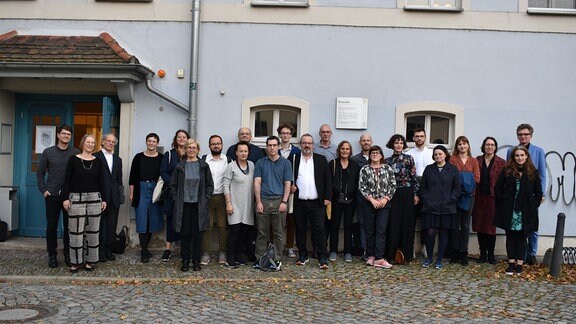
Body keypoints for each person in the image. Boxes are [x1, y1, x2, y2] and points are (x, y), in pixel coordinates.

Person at [62, 134, 107, 272]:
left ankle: (90, 261)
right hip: (76, 198)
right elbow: (67, 180)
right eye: (88, 142)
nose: (90, 144)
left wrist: (103, 199)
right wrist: (65, 198)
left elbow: (102, 181)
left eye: (93, 142)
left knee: (93, 231)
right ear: (83, 143)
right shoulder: (73, 160)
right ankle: (75, 262)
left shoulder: (98, 161)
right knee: (76, 232)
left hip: (94, 198)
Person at [37, 124, 80, 268]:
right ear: (58, 135)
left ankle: (68, 254)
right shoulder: (48, 152)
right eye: (64, 133)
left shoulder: (75, 152)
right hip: (52, 195)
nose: (66, 136)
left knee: (69, 227)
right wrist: (44, 190)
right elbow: (40, 172)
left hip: (70, 196)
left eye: (68, 134)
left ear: (71, 136)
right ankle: (52, 255)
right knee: (52, 226)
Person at [495, 146, 542, 275]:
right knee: (510, 237)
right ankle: (511, 263)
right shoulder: (507, 171)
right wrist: (503, 201)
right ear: (513, 157)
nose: (519, 158)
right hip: (509, 210)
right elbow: (498, 188)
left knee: (522, 238)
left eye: (522, 155)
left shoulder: (533, 172)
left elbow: (538, 192)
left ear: (526, 156)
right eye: (517, 155)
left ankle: (520, 264)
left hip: (525, 211)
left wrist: (533, 204)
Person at [170, 139, 214, 272]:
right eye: (189, 148)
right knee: (185, 234)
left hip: (199, 205)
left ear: (198, 150)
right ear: (185, 149)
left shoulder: (203, 166)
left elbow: (209, 185)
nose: (191, 150)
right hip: (183, 206)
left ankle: (196, 261)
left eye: (194, 148)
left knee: (197, 234)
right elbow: (173, 185)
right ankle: (185, 261)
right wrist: (176, 198)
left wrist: (206, 198)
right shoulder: (180, 166)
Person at [506, 123, 546, 266]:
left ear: (531, 135)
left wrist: (540, 195)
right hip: (515, 197)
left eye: (526, 134)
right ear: (517, 136)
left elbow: (542, 173)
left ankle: (532, 254)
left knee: (531, 226)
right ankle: (518, 256)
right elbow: (507, 172)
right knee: (516, 227)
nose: (523, 137)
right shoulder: (511, 150)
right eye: (520, 134)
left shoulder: (538, 151)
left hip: (530, 196)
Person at [292, 134, 332, 269]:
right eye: (304, 143)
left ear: (313, 145)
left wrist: (327, 197)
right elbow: (288, 176)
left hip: (317, 202)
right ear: (300, 145)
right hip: (300, 202)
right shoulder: (294, 159)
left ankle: (322, 257)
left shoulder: (321, 160)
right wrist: (291, 185)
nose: (307, 145)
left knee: (319, 230)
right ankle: (303, 255)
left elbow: (328, 180)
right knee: (300, 229)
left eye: (309, 143)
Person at [253, 136, 292, 271]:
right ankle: (260, 259)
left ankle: (277, 259)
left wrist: (284, 201)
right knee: (262, 232)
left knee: (278, 233)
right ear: (266, 147)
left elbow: (287, 184)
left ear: (279, 146)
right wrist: (258, 201)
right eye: (269, 145)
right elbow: (257, 182)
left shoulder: (285, 163)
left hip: (278, 201)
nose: (272, 148)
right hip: (263, 200)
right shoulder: (260, 163)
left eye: (274, 145)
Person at [420, 145, 461, 270]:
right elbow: (423, 188)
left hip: (447, 207)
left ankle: (439, 260)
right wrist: (426, 199)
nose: (438, 156)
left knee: (444, 233)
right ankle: (429, 258)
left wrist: (451, 199)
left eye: (440, 154)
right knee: (430, 233)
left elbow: (457, 188)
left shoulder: (453, 169)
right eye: (436, 154)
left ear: (445, 155)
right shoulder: (429, 169)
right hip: (431, 207)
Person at [358, 145, 396, 269]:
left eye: (377, 153)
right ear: (369, 155)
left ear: (381, 155)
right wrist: (372, 200)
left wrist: (385, 199)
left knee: (381, 230)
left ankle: (379, 257)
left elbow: (392, 185)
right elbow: (362, 186)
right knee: (369, 230)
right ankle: (371, 256)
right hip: (369, 203)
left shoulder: (387, 169)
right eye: (372, 153)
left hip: (384, 204)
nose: (374, 154)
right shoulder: (365, 169)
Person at [129, 133, 164, 263]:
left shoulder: (161, 158)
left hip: (155, 190)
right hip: (141, 189)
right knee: (142, 220)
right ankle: (143, 251)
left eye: (154, 141)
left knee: (152, 221)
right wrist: (132, 193)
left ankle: (146, 248)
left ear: (157, 143)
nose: (151, 143)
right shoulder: (138, 157)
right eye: (149, 141)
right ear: (146, 142)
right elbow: (132, 177)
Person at [385, 134, 419, 264]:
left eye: (401, 143)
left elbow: (414, 177)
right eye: (396, 142)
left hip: (407, 192)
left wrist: (415, 194)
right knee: (393, 223)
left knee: (407, 223)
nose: (398, 145)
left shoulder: (409, 159)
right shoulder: (387, 161)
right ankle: (391, 254)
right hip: (393, 193)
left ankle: (406, 255)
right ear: (392, 144)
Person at [472, 137, 505, 264]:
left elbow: (504, 181)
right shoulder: (477, 160)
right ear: (483, 146)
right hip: (479, 197)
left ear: (495, 147)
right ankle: (482, 254)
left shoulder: (501, 162)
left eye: (492, 145)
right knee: (480, 226)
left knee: (491, 227)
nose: (489, 147)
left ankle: (491, 254)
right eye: (487, 144)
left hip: (493, 198)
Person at [449, 136, 480, 266]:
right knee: (455, 225)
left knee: (466, 225)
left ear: (468, 145)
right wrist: (466, 178)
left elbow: (477, 178)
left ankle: (463, 252)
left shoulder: (473, 161)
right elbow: (450, 176)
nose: (462, 146)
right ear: (457, 147)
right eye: (459, 144)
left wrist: (461, 178)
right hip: (456, 196)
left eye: (464, 144)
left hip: (469, 196)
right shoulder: (452, 159)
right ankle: (455, 252)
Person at [159, 129, 190, 262]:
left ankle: (184, 248)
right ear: (175, 139)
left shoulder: (191, 154)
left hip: (188, 193)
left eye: (184, 137)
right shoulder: (169, 154)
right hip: (172, 193)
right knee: (171, 220)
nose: (182, 139)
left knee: (186, 220)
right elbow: (163, 171)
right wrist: (173, 183)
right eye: (179, 137)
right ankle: (168, 249)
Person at [223, 141, 255, 268]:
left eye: (245, 151)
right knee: (235, 231)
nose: (243, 153)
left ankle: (238, 255)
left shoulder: (252, 165)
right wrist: (228, 203)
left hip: (247, 205)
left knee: (244, 231)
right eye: (240, 151)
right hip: (234, 204)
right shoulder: (231, 166)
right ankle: (229, 257)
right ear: (236, 152)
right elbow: (225, 185)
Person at [201, 135, 231, 265]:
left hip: (222, 197)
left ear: (222, 145)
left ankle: (222, 253)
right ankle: (205, 253)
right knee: (207, 226)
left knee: (222, 226)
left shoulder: (227, 160)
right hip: (207, 197)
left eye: (218, 143)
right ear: (209, 146)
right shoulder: (203, 159)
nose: (216, 146)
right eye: (213, 144)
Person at [328, 140, 359, 263]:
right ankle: (333, 251)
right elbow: (329, 181)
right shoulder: (333, 164)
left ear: (350, 151)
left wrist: (353, 193)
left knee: (348, 226)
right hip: (336, 200)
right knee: (334, 226)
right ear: (339, 150)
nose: (345, 151)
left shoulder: (355, 165)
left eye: (347, 149)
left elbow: (357, 182)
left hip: (350, 200)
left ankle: (347, 252)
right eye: (342, 149)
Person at [94, 133, 123, 263]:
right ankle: (99, 251)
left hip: (114, 197)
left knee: (112, 225)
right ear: (103, 142)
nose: (111, 143)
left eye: (113, 142)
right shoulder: (95, 157)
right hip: (100, 196)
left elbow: (119, 179)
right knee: (99, 225)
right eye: (108, 141)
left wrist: (120, 195)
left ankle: (108, 250)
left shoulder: (118, 159)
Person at [406, 128, 434, 259]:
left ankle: (424, 246)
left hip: (429, 188)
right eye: (417, 136)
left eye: (421, 136)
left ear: (425, 137)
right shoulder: (408, 154)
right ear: (413, 138)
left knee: (427, 220)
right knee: (410, 219)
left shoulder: (432, 153)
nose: (419, 138)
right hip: (413, 187)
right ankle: (410, 247)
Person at [277, 123, 301, 259]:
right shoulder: (274, 149)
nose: (285, 135)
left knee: (290, 219)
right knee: (275, 218)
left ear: (291, 135)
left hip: (291, 189)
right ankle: (275, 245)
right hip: (276, 188)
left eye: (288, 133)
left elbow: (299, 170)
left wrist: (294, 185)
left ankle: (290, 246)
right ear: (280, 134)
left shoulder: (296, 152)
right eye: (283, 133)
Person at [351, 133, 373, 258]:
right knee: (363, 223)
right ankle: (365, 249)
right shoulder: (354, 159)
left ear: (371, 142)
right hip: (361, 198)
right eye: (363, 140)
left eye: (368, 140)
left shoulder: (377, 157)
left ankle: (374, 250)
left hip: (376, 197)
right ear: (360, 142)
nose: (366, 142)